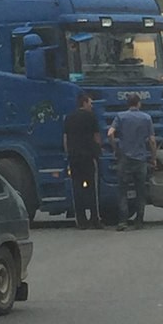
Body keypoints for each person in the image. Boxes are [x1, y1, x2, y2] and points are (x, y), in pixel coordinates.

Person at [107, 93, 157, 231]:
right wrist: (153, 158)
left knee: (122, 190)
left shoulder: (120, 117)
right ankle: (139, 220)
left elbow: (110, 133)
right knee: (140, 191)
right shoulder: (146, 118)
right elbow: (152, 140)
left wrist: (115, 148)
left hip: (124, 159)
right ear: (139, 103)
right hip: (140, 159)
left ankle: (122, 221)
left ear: (128, 104)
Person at [63, 93, 103, 229]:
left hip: (74, 157)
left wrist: (68, 153)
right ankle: (94, 219)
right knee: (92, 189)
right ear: (84, 103)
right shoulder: (91, 117)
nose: (92, 106)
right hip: (89, 156)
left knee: (77, 188)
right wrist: (98, 151)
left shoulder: (69, 118)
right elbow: (96, 136)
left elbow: (66, 139)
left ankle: (81, 220)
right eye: (90, 103)